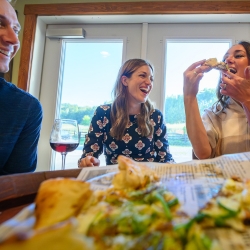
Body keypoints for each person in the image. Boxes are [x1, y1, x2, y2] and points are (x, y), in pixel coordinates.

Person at [78, 58, 174, 167]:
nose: (149, 82)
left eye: (151, 79)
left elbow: (165, 157)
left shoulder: (155, 116)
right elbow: (89, 155)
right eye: (142, 75)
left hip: (147, 180)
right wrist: (88, 161)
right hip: (116, 180)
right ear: (124, 81)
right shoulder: (103, 113)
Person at [183, 41, 250, 160]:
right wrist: (189, 96)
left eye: (238, 55)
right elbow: (203, 153)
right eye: (225, 58)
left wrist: (246, 100)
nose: (228, 60)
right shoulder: (214, 114)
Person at [0, 0, 43, 175]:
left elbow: (16, 191)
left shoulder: (26, 108)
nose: (14, 40)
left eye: (16, 30)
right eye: (0, 24)